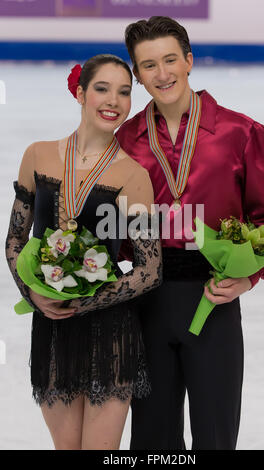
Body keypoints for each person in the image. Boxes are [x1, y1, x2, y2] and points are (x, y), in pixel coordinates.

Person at [116, 16, 264, 450]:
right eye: (149, 65)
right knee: (152, 440)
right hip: (147, 303)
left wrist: (247, 276)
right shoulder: (125, 140)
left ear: (190, 60)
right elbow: (112, 229)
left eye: (171, 59)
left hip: (214, 299)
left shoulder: (243, 133)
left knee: (216, 435)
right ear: (137, 76)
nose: (163, 74)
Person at [5, 54, 162, 450]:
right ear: (80, 93)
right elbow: (15, 241)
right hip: (52, 329)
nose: (114, 101)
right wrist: (33, 293)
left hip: (110, 331)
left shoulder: (133, 175)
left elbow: (150, 269)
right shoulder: (37, 156)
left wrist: (83, 302)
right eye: (102, 89)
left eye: (124, 92)